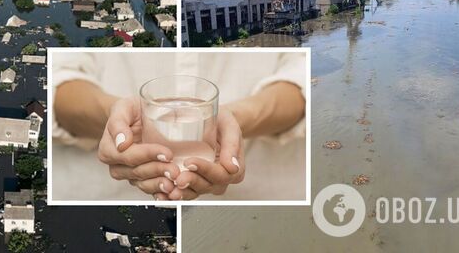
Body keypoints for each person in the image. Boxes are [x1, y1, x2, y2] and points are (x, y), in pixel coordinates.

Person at [52, 51, 307, 201]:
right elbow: (59, 77)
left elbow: (303, 74)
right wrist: (115, 119)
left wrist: (236, 120)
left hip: (262, 195)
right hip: (98, 196)